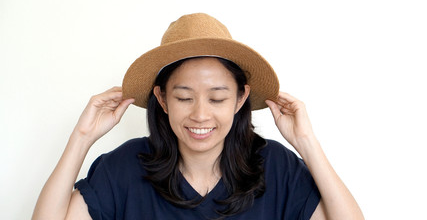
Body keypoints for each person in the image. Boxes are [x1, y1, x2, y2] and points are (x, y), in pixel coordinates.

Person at [33, 13, 364, 220]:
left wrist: (306, 143)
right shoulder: (124, 167)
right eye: (184, 97)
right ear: (162, 99)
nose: (201, 115)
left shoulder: (277, 167)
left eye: (217, 98)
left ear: (240, 98)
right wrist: (82, 138)